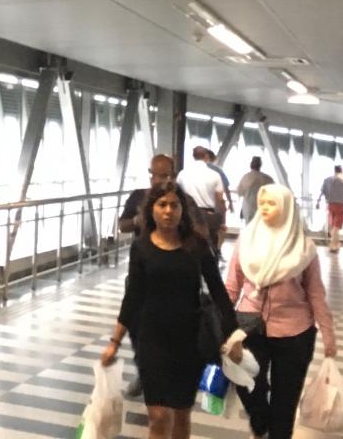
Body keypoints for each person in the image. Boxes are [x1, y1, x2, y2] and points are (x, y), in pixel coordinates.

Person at [102, 181, 240, 439]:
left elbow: (218, 291)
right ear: (151, 209)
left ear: (182, 210)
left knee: (181, 414)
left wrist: (234, 335)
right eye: (162, 204)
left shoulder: (196, 246)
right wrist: (115, 341)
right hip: (151, 341)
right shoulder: (141, 247)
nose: (168, 211)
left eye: (174, 205)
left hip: (189, 342)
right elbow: (133, 297)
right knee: (158, 417)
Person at [225, 184, 337, 439]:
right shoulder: (247, 241)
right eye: (262, 203)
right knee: (247, 384)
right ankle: (260, 422)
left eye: (271, 203)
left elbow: (316, 294)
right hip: (249, 327)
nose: (264, 208)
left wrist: (329, 335)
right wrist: (220, 322)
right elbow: (232, 285)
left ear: (286, 208)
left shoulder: (303, 248)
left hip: (295, 333)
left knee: (285, 404)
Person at [176, 145, 226, 258]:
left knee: (187, 247)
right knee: (210, 249)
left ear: (193, 156)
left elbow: (177, 194)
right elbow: (220, 200)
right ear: (206, 156)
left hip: (188, 214)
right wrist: (223, 221)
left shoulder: (182, 174)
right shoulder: (215, 175)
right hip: (208, 215)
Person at [119, 154, 176, 234]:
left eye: (163, 176)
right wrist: (137, 220)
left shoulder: (182, 199)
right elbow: (122, 226)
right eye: (153, 175)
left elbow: (192, 227)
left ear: (173, 176)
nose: (157, 180)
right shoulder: (138, 195)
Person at [315, 165, 343, 253]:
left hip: (330, 205)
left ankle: (336, 244)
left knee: (333, 225)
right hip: (340, 206)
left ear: (334, 171)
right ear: (342, 171)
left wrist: (318, 202)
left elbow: (321, 192)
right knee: (336, 227)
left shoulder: (327, 180)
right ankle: (333, 246)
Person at [204, 148, 235, 251]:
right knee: (218, 231)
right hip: (215, 207)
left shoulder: (191, 171)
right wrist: (230, 203)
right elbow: (225, 188)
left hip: (198, 208)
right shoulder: (218, 171)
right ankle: (216, 251)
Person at [236, 157, 274, 223]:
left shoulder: (246, 177)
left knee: (250, 226)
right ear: (260, 165)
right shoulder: (268, 178)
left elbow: (239, 192)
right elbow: (274, 193)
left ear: (251, 165)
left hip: (248, 209)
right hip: (263, 208)